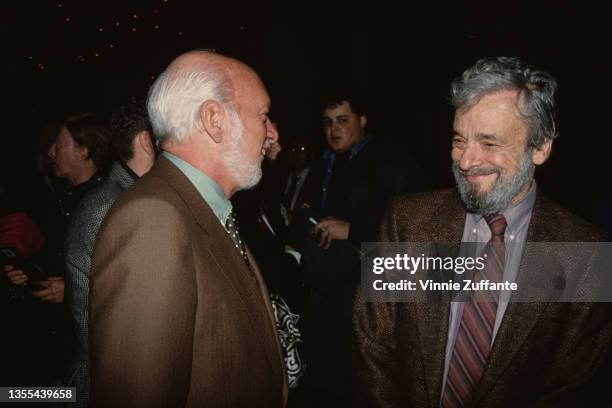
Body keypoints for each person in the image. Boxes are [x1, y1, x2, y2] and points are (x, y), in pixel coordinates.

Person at [352, 56, 612, 407]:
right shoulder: (408, 223)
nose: (465, 160)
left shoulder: (584, 252)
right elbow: (372, 345)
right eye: (460, 139)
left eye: (489, 143)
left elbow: (572, 386)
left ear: (540, 147)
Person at [89, 50, 287, 407]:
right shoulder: (153, 219)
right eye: (263, 116)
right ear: (214, 119)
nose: (272, 133)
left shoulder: (198, 208)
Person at [297, 91, 424, 404]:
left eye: (343, 120)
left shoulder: (391, 161)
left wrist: (354, 230)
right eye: (327, 123)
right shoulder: (322, 164)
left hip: (367, 301)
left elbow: (416, 230)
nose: (333, 130)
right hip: (325, 296)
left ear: (363, 120)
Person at [63, 96, 155, 407]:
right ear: (146, 140)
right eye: (168, 135)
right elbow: (100, 329)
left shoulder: (131, 198)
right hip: (111, 386)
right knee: (14, 398)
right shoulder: (109, 207)